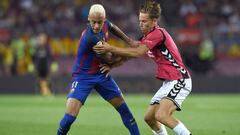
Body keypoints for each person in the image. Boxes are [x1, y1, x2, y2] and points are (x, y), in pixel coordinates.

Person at [93, 1, 192, 135]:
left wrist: (111, 48)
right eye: (140, 21)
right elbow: (131, 54)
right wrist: (112, 65)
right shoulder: (147, 37)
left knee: (162, 115)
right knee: (149, 118)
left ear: (154, 20)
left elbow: (138, 52)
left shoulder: (158, 33)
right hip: (170, 81)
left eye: (145, 21)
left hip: (180, 79)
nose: (141, 24)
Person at [56, 4, 140, 135]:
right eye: (93, 22)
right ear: (88, 19)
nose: (96, 26)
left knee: (125, 110)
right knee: (69, 118)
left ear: (104, 19)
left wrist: (129, 41)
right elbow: (110, 58)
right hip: (83, 77)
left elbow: (113, 28)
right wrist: (131, 53)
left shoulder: (105, 24)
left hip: (101, 74)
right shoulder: (91, 38)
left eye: (99, 22)